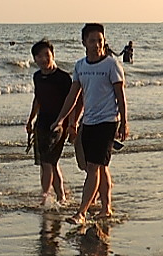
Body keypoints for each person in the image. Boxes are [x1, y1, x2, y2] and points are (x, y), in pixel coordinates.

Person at [72, 23, 130, 222]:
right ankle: (106, 208)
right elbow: (75, 96)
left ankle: (81, 212)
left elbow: (120, 96)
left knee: (94, 167)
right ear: (84, 42)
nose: (96, 44)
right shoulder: (80, 66)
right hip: (89, 122)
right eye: (92, 40)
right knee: (101, 167)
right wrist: (67, 120)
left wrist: (124, 122)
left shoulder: (111, 65)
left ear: (104, 41)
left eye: (100, 40)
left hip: (108, 122)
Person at [31, 40, 78, 207]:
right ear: (35, 59)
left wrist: (71, 124)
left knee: (47, 162)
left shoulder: (63, 78)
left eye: (47, 55)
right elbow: (37, 99)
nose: (44, 59)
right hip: (42, 122)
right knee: (51, 162)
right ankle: (61, 196)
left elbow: (72, 102)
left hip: (58, 124)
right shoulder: (37, 77)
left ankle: (45, 197)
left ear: (53, 55)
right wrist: (30, 120)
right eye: (39, 56)